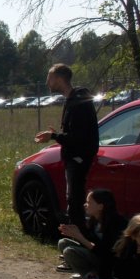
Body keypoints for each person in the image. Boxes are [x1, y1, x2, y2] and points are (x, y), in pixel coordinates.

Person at [34, 64, 99, 228]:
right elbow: (76, 132)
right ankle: (76, 236)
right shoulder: (73, 99)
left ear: (59, 79)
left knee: (75, 202)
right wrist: (57, 135)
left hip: (78, 159)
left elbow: (78, 137)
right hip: (74, 157)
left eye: (49, 78)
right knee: (73, 201)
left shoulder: (78, 101)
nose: (47, 82)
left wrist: (54, 136)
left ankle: (78, 238)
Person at [57, 188, 128, 279]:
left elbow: (105, 252)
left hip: (109, 262)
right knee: (63, 243)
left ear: (100, 206)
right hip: (98, 256)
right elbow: (90, 244)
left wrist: (79, 236)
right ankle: (89, 273)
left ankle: (93, 276)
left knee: (69, 251)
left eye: (89, 202)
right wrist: (75, 233)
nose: (85, 205)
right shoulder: (94, 221)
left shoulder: (116, 223)